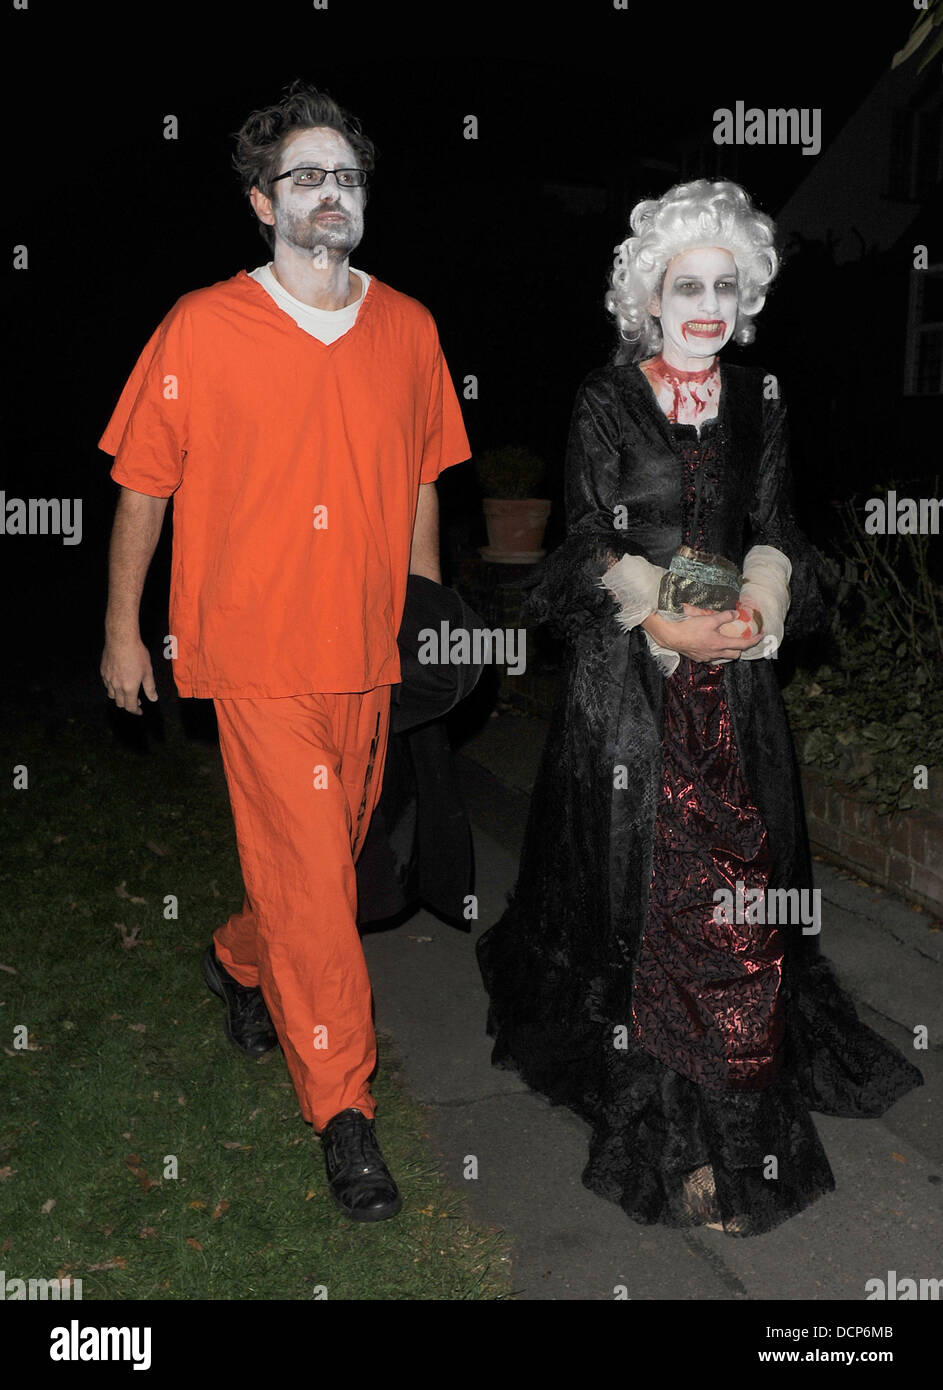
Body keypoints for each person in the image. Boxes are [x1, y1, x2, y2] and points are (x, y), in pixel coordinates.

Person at [475, 179, 923, 1237]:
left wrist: (757, 606)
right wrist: (661, 618)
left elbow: (774, 524)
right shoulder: (602, 397)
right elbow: (587, 538)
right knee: (655, 904)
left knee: (737, 904)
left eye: (727, 284)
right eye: (687, 285)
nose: (708, 303)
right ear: (649, 294)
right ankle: (682, 1137)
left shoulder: (758, 395)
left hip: (737, 677)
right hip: (633, 690)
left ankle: (739, 1086)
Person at [99, 81, 470, 1223]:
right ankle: (343, 1116)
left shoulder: (408, 325)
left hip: (365, 652)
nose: (328, 193)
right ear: (262, 201)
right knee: (316, 884)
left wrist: (422, 613)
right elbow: (142, 488)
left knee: (324, 874)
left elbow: (421, 476)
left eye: (345, 175)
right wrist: (122, 628)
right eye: (304, 175)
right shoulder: (201, 327)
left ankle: (233, 956)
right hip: (250, 651)